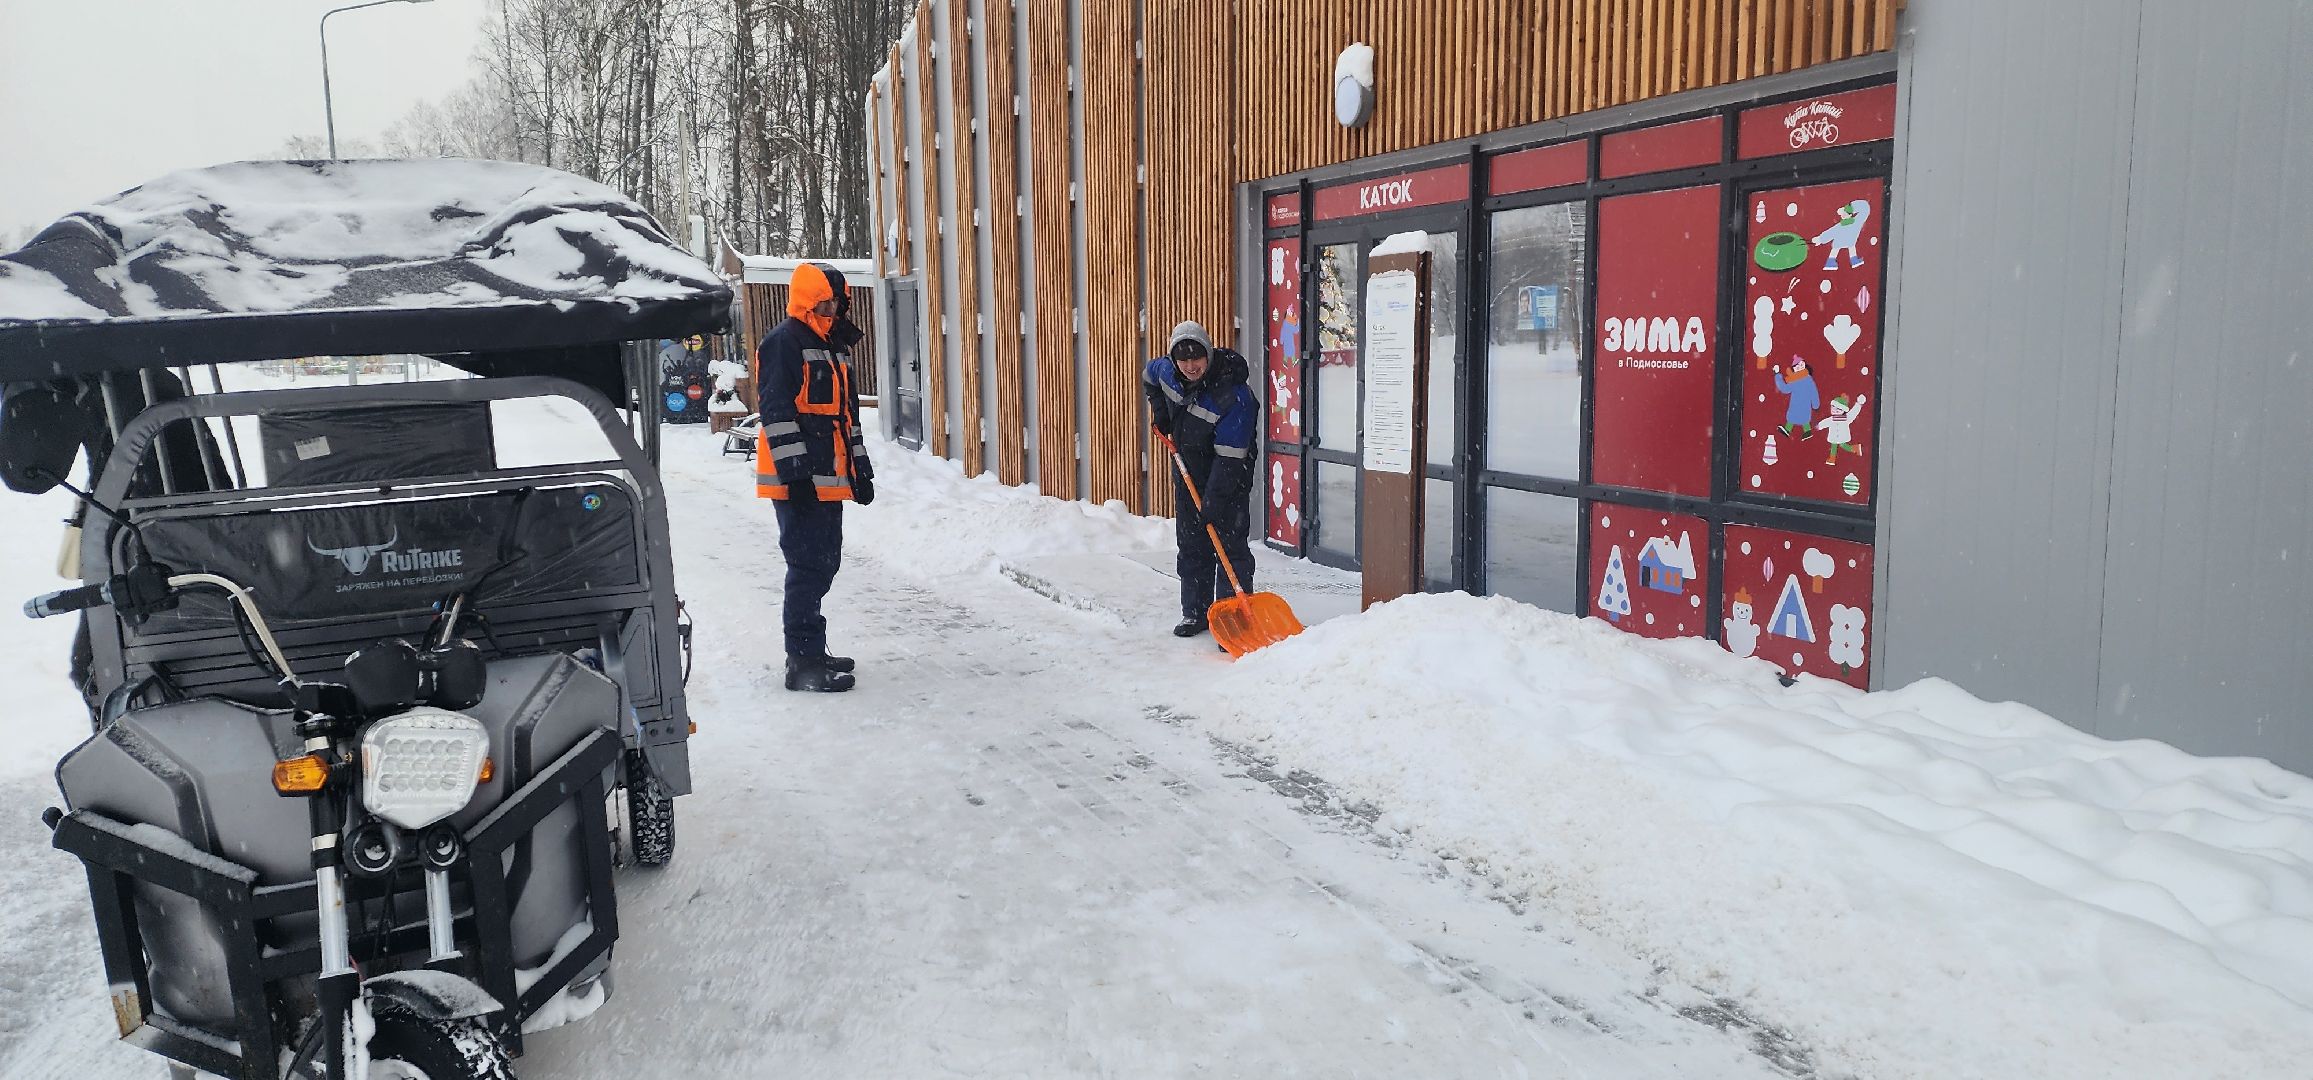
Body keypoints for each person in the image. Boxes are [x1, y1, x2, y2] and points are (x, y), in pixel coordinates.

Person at [755, 263, 874, 692]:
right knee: (806, 567)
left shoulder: (833, 345)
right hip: (798, 480)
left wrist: (860, 470)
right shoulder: (784, 342)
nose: (834, 307)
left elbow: (846, 419)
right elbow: (776, 411)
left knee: (826, 563)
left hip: (827, 478)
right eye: (827, 300)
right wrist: (796, 475)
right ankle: (802, 662)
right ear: (808, 299)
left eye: (838, 301)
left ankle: (813, 648)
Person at [1143, 321, 1257, 640]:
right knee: (1192, 543)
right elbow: (1149, 376)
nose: (1191, 366)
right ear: (1174, 359)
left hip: (1230, 473)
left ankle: (1233, 620)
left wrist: (1215, 500)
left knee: (1229, 546)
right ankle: (1196, 612)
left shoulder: (1233, 395)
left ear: (1208, 354)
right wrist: (1161, 412)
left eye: (1198, 358)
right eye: (1184, 359)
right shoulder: (1167, 371)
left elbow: (1231, 457)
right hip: (1188, 470)